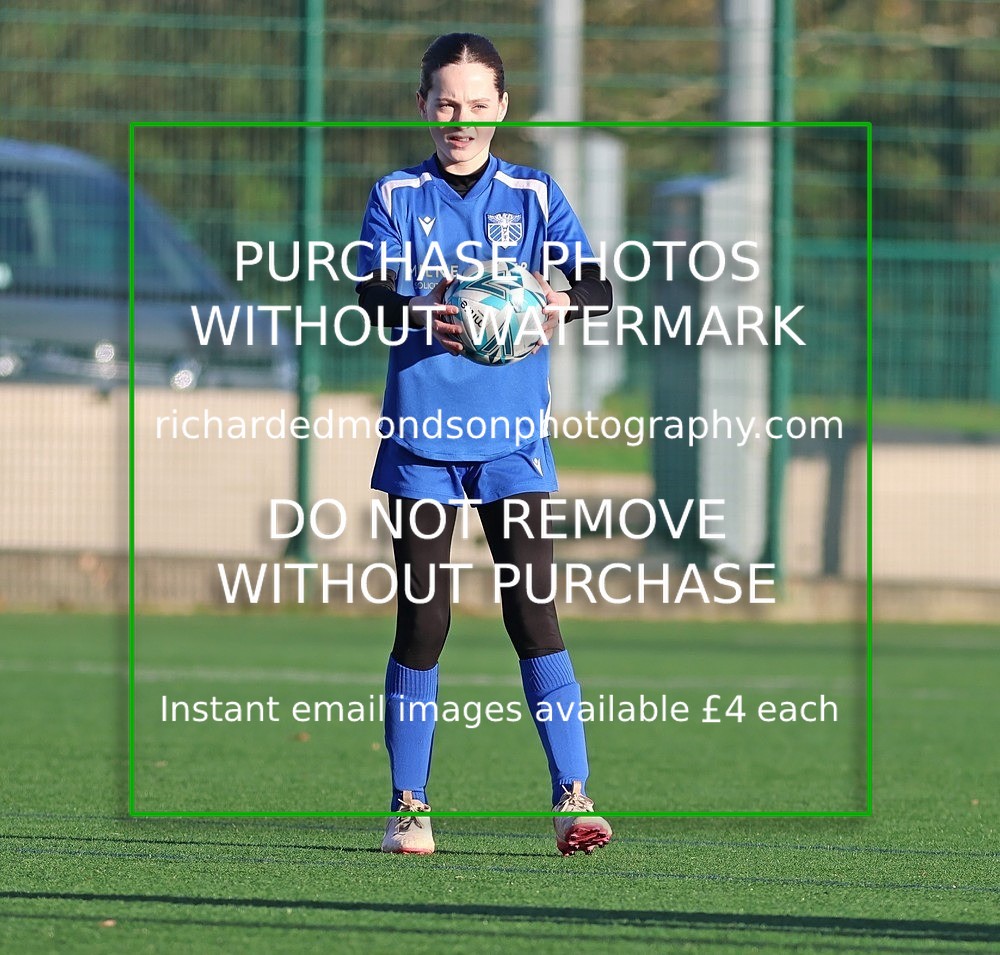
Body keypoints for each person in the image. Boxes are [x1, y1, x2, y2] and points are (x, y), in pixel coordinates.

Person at [356, 32, 614, 857]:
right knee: (424, 620)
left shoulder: (535, 194)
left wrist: (557, 300)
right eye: (445, 103)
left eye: (475, 104)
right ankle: (409, 807)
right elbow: (371, 292)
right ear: (422, 106)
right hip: (423, 439)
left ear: (502, 106)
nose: (459, 120)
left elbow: (599, 285)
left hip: (511, 442)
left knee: (532, 612)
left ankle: (573, 798)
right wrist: (425, 306)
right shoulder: (396, 194)